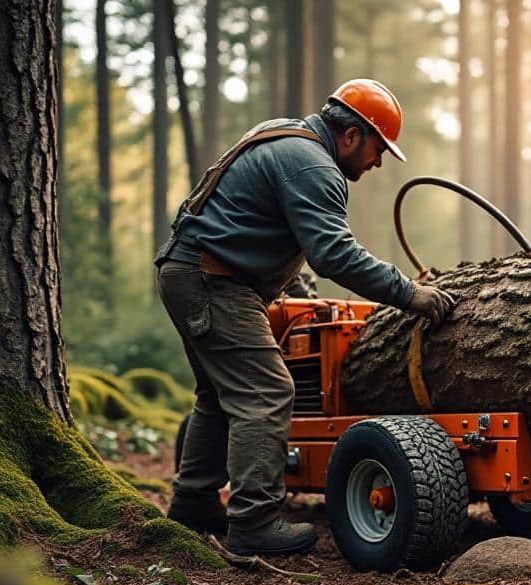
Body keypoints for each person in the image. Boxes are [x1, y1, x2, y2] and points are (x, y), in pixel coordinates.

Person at [154, 78, 455, 556]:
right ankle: (253, 523)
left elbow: (258, 222)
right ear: (352, 135)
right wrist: (409, 294)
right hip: (213, 279)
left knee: (219, 394)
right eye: (378, 149)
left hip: (193, 273)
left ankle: (193, 504)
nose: (377, 163)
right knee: (266, 391)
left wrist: (296, 290)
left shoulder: (288, 137)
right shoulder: (314, 164)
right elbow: (334, 254)